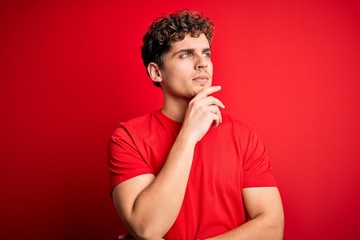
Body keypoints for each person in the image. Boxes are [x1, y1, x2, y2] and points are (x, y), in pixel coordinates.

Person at [108, 9, 284, 240]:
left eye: (206, 53)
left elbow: (272, 228)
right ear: (156, 72)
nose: (203, 63)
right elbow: (148, 227)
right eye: (185, 55)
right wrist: (188, 135)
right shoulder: (128, 137)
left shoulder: (244, 136)